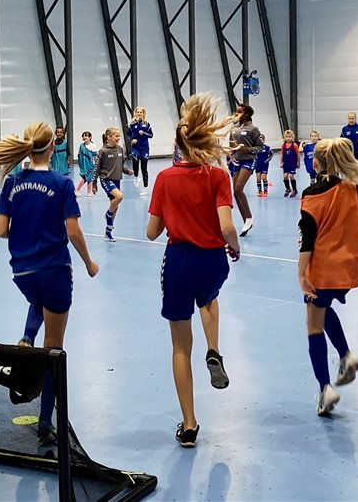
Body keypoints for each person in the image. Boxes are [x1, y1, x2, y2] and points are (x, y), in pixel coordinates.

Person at [0, 121, 99, 444]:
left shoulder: (11, 183)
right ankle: (45, 422)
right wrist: (89, 262)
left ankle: (26, 337)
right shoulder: (61, 183)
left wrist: (24, 233)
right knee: (54, 348)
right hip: (54, 269)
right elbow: (73, 231)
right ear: (53, 148)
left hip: (21, 272)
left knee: (36, 298)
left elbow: (1, 230)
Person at [146, 93, 241, 448]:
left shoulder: (165, 178)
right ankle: (214, 348)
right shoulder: (218, 177)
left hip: (179, 261)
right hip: (213, 261)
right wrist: (235, 246)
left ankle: (189, 424)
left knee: (179, 347)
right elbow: (227, 226)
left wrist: (171, 214)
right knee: (210, 297)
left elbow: (152, 232)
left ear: (177, 143)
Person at [297, 138, 358, 416]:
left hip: (321, 268)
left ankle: (324, 388)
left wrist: (302, 273)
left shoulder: (311, 194)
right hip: (347, 267)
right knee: (323, 307)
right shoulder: (353, 189)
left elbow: (307, 239)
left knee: (313, 326)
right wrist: (357, 248)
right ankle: (346, 356)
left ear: (316, 162)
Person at [228, 104, 262, 235]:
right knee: (235, 191)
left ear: (246, 114)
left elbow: (260, 147)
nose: (236, 113)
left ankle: (249, 216)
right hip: (236, 160)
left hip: (248, 159)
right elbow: (231, 144)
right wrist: (231, 151)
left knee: (238, 188)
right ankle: (246, 220)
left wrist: (246, 149)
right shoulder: (234, 129)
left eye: (239, 112)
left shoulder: (253, 129)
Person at [96, 128, 132, 242]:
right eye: (116, 136)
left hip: (117, 179)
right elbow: (97, 168)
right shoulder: (103, 151)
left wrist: (127, 171)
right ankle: (108, 214)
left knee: (115, 206)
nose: (118, 138)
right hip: (106, 179)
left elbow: (121, 166)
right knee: (119, 196)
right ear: (109, 137)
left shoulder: (120, 149)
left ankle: (108, 232)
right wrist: (93, 182)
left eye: (119, 136)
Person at [128, 107, 153, 196]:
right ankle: (136, 177)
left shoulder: (147, 124)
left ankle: (145, 188)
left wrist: (144, 133)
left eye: (140, 112)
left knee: (144, 168)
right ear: (135, 113)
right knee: (135, 161)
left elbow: (151, 135)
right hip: (135, 147)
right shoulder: (131, 124)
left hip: (144, 148)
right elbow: (128, 134)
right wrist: (131, 140)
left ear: (143, 114)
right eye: (137, 112)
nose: (139, 113)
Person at [76, 131, 98, 197]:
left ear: (90, 137)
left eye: (86, 136)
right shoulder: (81, 146)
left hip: (90, 165)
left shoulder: (93, 146)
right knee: (85, 177)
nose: (84, 137)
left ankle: (88, 191)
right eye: (83, 136)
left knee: (89, 178)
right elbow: (79, 155)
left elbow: (95, 156)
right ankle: (77, 189)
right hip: (83, 164)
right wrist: (80, 164)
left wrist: (96, 163)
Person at [280, 130, 300, 197]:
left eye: (290, 137)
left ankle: (294, 190)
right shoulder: (283, 145)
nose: (288, 138)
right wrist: (281, 162)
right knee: (285, 176)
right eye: (287, 137)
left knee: (291, 176)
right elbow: (282, 154)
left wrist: (298, 163)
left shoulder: (294, 145)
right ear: (285, 137)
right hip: (286, 163)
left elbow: (298, 155)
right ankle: (288, 189)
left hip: (292, 163)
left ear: (292, 137)